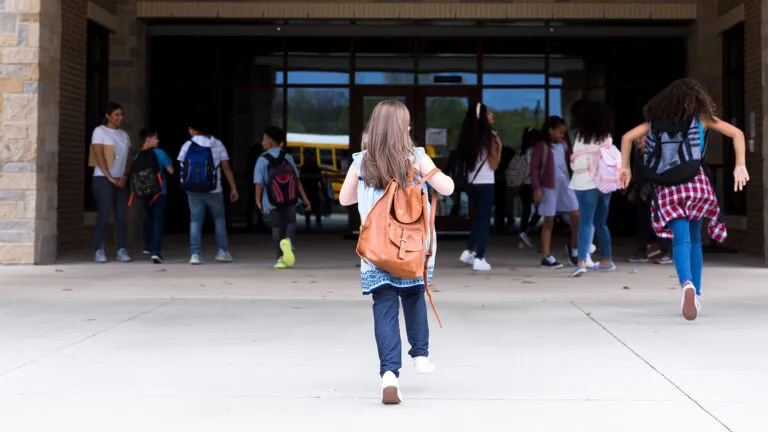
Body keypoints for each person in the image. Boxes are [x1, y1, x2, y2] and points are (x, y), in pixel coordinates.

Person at [339, 100, 455, 405]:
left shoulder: (361, 161)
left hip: (376, 250)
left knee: (384, 308)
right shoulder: (416, 157)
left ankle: (389, 375)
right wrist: (430, 173)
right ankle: (420, 354)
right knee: (414, 295)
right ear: (402, 128)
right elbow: (447, 188)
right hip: (412, 248)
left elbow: (344, 200)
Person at [619, 78, 749, 321]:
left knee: (680, 241)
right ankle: (696, 294)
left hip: (668, 186)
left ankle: (686, 284)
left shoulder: (655, 123)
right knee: (695, 240)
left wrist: (625, 168)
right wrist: (740, 165)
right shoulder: (702, 119)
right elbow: (737, 133)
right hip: (696, 182)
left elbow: (627, 137)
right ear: (697, 99)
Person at [177, 121, 239, 265]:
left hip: (193, 189)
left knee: (195, 220)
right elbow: (226, 168)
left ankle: (195, 255)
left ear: (194, 130)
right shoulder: (217, 144)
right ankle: (222, 252)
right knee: (219, 219)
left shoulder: (188, 145)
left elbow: (182, 163)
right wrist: (233, 188)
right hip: (214, 188)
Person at [568, 100, 617, 277]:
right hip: (605, 183)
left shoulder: (581, 137)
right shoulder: (607, 137)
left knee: (585, 222)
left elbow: (578, 164)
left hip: (585, 182)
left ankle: (581, 261)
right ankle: (607, 259)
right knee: (601, 223)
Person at [254, 126, 312, 269]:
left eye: (263, 139)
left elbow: (259, 183)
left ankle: (280, 258)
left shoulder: (262, 159)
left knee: (276, 226)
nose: (262, 142)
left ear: (269, 141)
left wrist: (258, 200)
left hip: (272, 200)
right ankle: (289, 243)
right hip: (291, 198)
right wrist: (305, 199)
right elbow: (297, 180)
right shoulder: (287, 157)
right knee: (290, 223)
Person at [531, 116, 580, 269]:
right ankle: (546, 256)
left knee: (577, 216)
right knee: (548, 221)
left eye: (564, 133)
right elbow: (534, 168)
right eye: (559, 132)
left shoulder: (565, 145)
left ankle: (574, 250)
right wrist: (536, 188)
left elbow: (572, 161)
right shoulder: (542, 147)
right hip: (549, 187)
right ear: (550, 131)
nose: (562, 136)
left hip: (566, 185)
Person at [457, 103, 502, 271]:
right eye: (488, 113)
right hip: (486, 183)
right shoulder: (489, 137)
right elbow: (494, 164)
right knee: (484, 221)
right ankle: (480, 257)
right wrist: (499, 146)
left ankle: (468, 251)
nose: (491, 115)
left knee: (478, 219)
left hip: (472, 182)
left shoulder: (468, 137)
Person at [90, 102, 133, 263]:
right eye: (116, 115)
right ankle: (99, 249)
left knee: (121, 214)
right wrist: (109, 177)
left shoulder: (124, 135)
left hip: (121, 180)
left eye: (121, 115)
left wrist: (125, 176)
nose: (119, 118)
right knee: (105, 212)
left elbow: (129, 157)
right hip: (103, 178)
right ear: (108, 116)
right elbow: (99, 155)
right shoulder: (99, 131)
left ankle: (122, 249)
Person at [626, 137, 672, 264]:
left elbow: (658, 173)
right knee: (642, 223)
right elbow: (637, 175)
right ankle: (642, 252)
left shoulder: (656, 153)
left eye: (641, 139)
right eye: (637, 140)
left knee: (659, 223)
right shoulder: (637, 153)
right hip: (641, 191)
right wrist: (635, 190)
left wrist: (646, 191)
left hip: (655, 192)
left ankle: (666, 251)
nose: (638, 142)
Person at [135, 128, 174, 264]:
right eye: (155, 138)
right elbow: (171, 170)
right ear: (148, 139)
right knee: (158, 220)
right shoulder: (160, 153)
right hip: (160, 192)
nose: (158, 140)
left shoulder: (137, 156)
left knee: (148, 218)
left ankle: (147, 246)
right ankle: (156, 252)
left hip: (145, 193)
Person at [507, 127, 542, 248]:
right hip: (533, 184)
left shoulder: (520, 151)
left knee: (526, 211)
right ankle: (527, 231)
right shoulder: (536, 151)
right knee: (540, 209)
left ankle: (522, 235)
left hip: (522, 185)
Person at [245, 139, 266, 232]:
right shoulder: (259, 161)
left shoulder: (252, 161)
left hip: (253, 184)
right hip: (257, 184)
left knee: (253, 203)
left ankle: (252, 221)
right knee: (257, 203)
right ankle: (258, 221)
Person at [300, 151, 324, 230]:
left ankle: (308, 220)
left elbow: (300, 178)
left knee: (307, 204)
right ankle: (318, 220)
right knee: (316, 205)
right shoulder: (315, 166)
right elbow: (320, 178)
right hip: (314, 188)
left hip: (307, 188)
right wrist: (323, 188)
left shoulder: (304, 166)